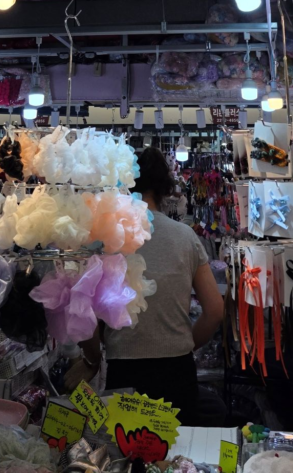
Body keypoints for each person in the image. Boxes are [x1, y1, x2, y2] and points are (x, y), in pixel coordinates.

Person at [65, 147, 224, 425]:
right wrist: (185, 343)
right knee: (175, 458)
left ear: (122, 184)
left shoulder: (103, 240)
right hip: (177, 370)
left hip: (124, 368)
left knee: (125, 455)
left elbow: (85, 315)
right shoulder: (185, 237)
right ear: (164, 190)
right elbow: (214, 310)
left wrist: (92, 359)